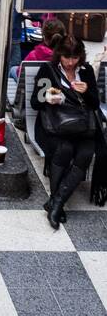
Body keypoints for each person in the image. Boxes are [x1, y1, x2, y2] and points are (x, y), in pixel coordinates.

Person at [31, 34, 104, 229]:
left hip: (82, 126)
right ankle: (57, 204)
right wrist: (48, 98)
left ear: (81, 56)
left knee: (86, 153)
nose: (70, 63)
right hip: (55, 126)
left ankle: (55, 203)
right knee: (64, 150)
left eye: (74, 58)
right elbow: (35, 102)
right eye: (66, 57)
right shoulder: (48, 70)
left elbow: (94, 103)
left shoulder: (86, 71)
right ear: (59, 55)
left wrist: (86, 91)